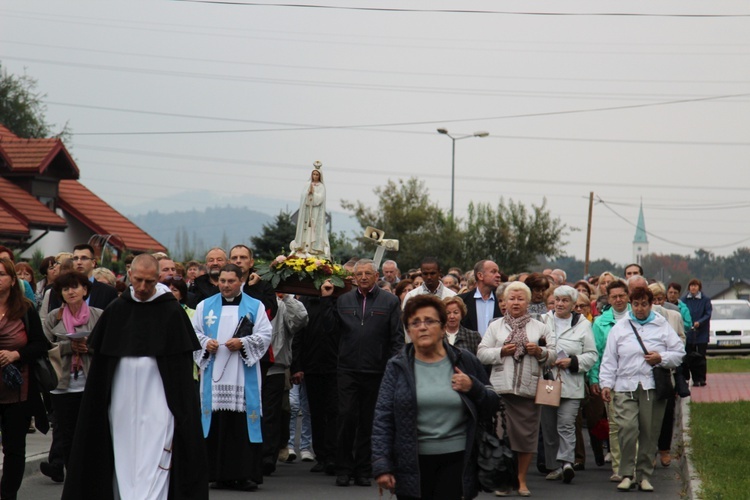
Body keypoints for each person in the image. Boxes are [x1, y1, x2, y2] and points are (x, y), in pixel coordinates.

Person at [61, 254, 208, 500]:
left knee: (156, 453)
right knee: (123, 452)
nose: (142, 287)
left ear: (158, 279)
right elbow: (102, 368)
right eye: (138, 280)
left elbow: (180, 373)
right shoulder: (117, 310)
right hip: (122, 397)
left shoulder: (171, 311)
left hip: (160, 397)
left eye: (149, 282)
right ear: (130, 275)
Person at [372, 295, 499, 500]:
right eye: (415, 323)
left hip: (456, 459)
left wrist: (473, 387)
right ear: (408, 330)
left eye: (429, 321)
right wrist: (381, 464)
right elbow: (383, 418)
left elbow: (492, 402)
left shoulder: (464, 360)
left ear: (442, 328)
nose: (422, 327)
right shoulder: (397, 366)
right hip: (410, 461)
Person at [193, 264, 273, 491]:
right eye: (222, 281)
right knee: (217, 424)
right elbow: (193, 332)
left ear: (241, 282)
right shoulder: (204, 306)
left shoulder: (255, 306)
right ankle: (217, 474)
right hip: (214, 374)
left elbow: (265, 335)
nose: (225, 285)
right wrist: (205, 343)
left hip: (242, 374)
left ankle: (245, 475)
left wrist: (243, 343)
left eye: (230, 281)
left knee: (241, 425)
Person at [599, 286, 685, 493]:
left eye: (644, 304)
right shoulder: (620, 327)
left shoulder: (661, 325)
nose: (639, 308)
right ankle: (626, 473)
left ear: (651, 304)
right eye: (635, 304)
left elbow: (679, 353)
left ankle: (644, 475)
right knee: (627, 428)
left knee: (649, 432)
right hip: (624, 386)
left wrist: (661, 358)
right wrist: (606, 384)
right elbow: (609, 359)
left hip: (652, 387)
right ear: (631, 304)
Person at [477, 281, 554, 497]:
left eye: (520, 299)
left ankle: (521, 479)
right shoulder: (496, 326)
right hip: (502, 390)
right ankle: (503, 480)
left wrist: (540, 352)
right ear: (505, 302)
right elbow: (481, 353)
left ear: (528, 302)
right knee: (502, 436)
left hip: (529, 390)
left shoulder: (540, 327)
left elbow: (555, 354)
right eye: (512, 298)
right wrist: (501, 351)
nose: (516, 302)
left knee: (526, 439)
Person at [333, 259, 404, 487]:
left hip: (376, 370)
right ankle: (343, 468)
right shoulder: (342, 300)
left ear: (376, 276)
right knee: (345, 418)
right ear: (353, 278)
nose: (363, 277)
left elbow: (397, 338)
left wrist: (392, 368)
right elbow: (333, 334)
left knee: (368, 421)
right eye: (359, 274)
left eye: (367, 273)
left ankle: (363, 469)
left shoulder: (390, 301)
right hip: (347, 370)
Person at [39, 271, 103, 484]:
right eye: (66, 289)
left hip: (89, 382)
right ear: (60, 294)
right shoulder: (53, 317)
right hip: (62, 383)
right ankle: (72, 472)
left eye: (75, 287)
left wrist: (88, 346)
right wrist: (69, 346)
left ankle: (90, 472)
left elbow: (109, 344)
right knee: (66, 433)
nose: (71, 291)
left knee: (90, 431)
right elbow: (43, 347)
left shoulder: (98, 315)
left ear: (85, 290)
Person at [0, 257, 49, 500]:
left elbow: (41, 344)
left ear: (11, 280)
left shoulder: (26, 309)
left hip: (18, 389)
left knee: (14, 449)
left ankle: (8, 494)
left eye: (1, 275)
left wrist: (16, 353)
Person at [541, 286, 598, 484]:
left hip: (571, 382)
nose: (560, 304)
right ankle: (554, 465)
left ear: (574, 305)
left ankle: (566, 463)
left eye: (565, 300)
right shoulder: (543, 320)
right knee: (548, 426)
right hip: (548, 381)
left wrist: (572, 362)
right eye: (557, 300)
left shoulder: (583, 325)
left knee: (566, 424)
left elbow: (592, 355)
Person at [291, 281, 340, 475]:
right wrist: (297, 366)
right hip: (312, 366)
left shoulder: (338, 301)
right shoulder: (304, 301)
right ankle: (321, 455)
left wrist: (328, 299)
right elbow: (298, 337)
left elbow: (335, 328)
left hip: (335, 366)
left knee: (334, 412)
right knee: (316, 413)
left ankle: (334, 455)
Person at [588, 279, 631, 482]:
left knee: (632, 425)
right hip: (610, 379)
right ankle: (618, 467)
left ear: (628, 296)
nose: (618, 299)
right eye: (614, 296)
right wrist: (594, 378)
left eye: (622, 295)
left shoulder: (638, 316)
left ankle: (633, 464)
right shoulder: (600, 322)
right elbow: (595, 352)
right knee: (614, 425)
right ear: (608, 298)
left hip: (634, 379)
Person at [47, 244, 118, 311]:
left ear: (93, 263)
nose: (79, 262)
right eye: (75, 258)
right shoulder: (58, 290)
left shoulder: (108, 292)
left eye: (84, 258)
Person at [290, 165, 330, 258]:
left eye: (317, 174)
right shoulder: (307, 184)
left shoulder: (321, 186)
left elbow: (319, 199)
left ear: (319, 176)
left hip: (315, 212)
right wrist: (308, 193)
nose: (315, 176)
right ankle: (303, 247)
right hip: (307, 212)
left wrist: (313, 193)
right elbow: (303, 196)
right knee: (305, 229)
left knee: (314, 230)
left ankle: (313, 248)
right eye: (314, 174)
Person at [459, 260, 503, 336]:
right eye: (493, 272)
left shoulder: (503, 300)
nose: (498, 275)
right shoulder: (462, 301)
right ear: (480, 276)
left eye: (498, 272)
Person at [682, 279, 712, 387]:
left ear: (699, 287)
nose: (693, 288)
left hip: (702, 333)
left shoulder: (705, 300)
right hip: (689, 333)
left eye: (695, 286)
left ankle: (702, 378)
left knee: (701, 356)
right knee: (691, 357)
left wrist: (700, 322)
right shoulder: (684, 300)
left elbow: (708, 314)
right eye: (691, 286)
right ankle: (694, 379)